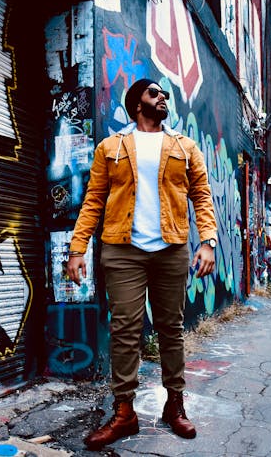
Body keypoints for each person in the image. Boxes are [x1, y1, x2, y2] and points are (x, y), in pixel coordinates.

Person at [66, 78, 217, 450]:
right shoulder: (111, 148)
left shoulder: (185, 146)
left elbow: (201, 194)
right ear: (137, 104)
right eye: (154, 93)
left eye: (164, 93)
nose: (162, 97)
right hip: (122, 248)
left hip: (171, 247)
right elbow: (94, 199)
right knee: (125, 331)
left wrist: (208, 242)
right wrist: (77, 248)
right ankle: (124, 413)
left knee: (171, 328)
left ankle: (175, 405)